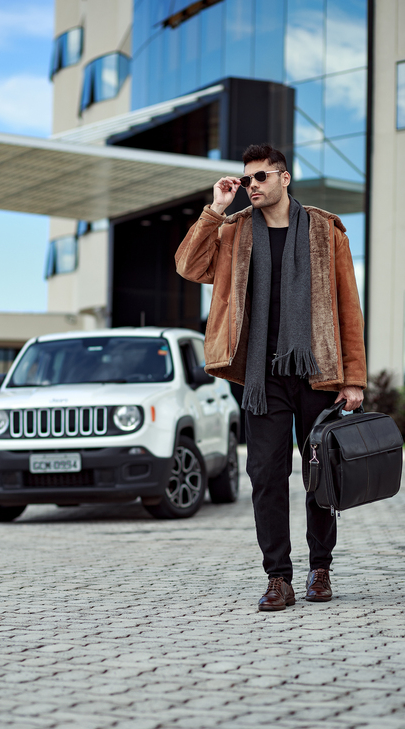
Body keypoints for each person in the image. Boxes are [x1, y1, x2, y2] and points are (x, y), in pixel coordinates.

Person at [175, 143, 366, 611]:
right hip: (261, 375)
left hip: (318, 371)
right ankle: (278, 577)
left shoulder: (325, 230)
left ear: (284, 178)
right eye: (246, 179)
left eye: (261, 176)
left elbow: (348, 306)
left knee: (321, 473)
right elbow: (189, 266)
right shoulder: (235, 230)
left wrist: (354, 378)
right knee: (264, 475)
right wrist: (216, 209)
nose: (252, 186)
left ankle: (320, 567)